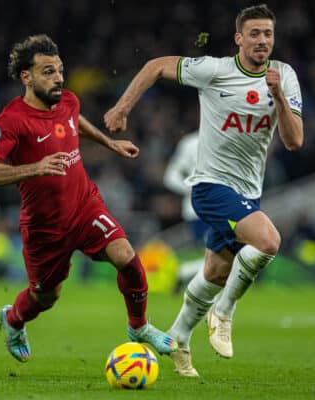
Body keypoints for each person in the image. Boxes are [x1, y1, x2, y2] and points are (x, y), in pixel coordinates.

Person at [105, 4, 303, 377]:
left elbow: (294, 141)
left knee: (215, 270)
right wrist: (121, 108)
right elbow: (155, 66)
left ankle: (178, 337)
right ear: (239, 39)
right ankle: (224, 312)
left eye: (268, 34)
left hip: (248, 190)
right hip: (210, 186)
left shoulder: (284, 76)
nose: (262, 41)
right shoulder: (215, 70)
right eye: (255, 34)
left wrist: (277, 98)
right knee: (268, 242)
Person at [0, 34, 177, 363]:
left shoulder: (68, 100)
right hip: (45, 226)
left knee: (126, 255)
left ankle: (139, 327)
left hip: (84, 205)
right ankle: (13, 320)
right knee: (45, 296)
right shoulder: (11, 121)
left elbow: (74, 121)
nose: (58, 78)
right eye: (47, 72)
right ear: (26, 77)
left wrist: (109, 144)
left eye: (59, 70)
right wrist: (36, 167)